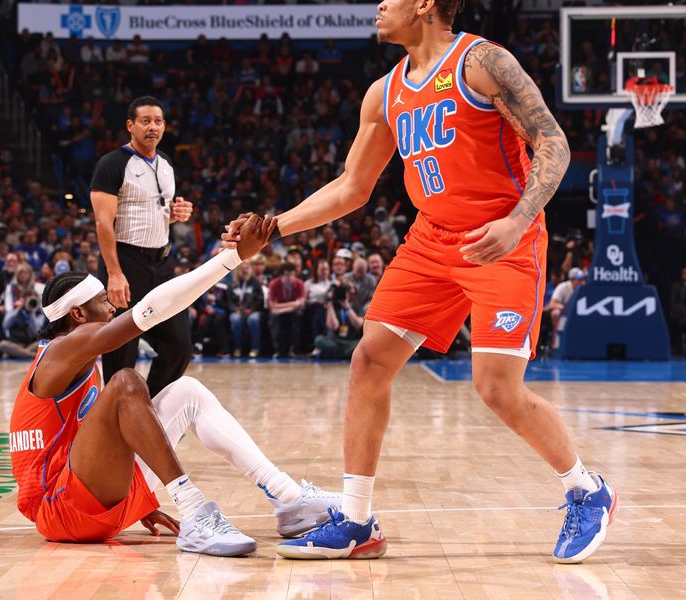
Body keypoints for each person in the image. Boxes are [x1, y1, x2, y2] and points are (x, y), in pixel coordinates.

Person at [224, 0, 616, 563]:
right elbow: (352, 188)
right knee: (370, 360)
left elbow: (553, 143)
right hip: (431, 241)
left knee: (496, 388)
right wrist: (273, 227)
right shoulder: (383, 93)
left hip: (501, 239)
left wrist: (518, 219)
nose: (379, 5)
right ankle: (357, 522)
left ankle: (586, 489)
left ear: (427, 4)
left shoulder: (482, 62)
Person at [9, 215, 338, 556]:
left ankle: (288, 499)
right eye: (104, 301)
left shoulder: (75, 358)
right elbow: (150, 311)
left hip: (86, 499)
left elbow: (89, 444)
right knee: (126, 382)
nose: (112, 307)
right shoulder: (62, 350)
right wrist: (230, 259)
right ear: (77, 314)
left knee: (186, 391)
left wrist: (135, 496)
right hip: (60, 510)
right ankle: (195, 512)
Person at [91, 96, 195, 398]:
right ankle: (116, 420)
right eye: (145, 121)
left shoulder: (165, 163)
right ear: (130, 126)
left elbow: (157, 211)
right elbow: (102, 223)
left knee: (179, 346)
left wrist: (176, 215)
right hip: (125, 263)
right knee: (121, 355)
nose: (153, 127)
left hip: (161, 264)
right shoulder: (112, 164)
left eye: (158, 121)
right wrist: (114, 273)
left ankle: (147, 408)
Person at [228, 260, 265, 358]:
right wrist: (235, 309)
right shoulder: (232, 283)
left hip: (252, 311)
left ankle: (255, 348)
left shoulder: (255, 282)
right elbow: (229, 301)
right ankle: (237, 348)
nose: (245, 267)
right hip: (237, 311)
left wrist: (251, 310)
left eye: (247, 265)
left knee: (253, 319)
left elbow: (260, 300)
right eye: (243, 264)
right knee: (235, 319)